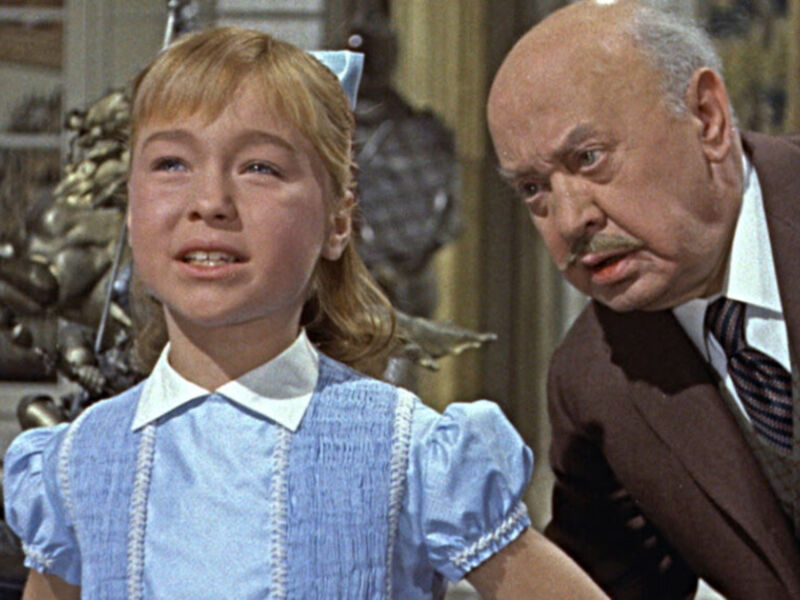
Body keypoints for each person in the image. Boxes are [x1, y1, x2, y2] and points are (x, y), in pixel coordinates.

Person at [3, 27, 607, 600]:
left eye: (259, 168)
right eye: (171, 164)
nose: (210, 202)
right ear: (131, 208)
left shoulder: (409, 455)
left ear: (339, 220)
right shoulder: (75, 466)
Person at [486, 1, 800, 598]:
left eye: (589, 158)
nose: (570, 219)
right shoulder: (592, 381)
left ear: (706, 118)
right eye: (533, 188)